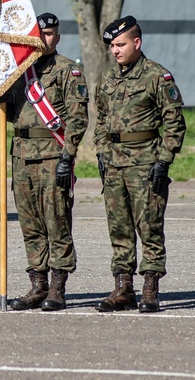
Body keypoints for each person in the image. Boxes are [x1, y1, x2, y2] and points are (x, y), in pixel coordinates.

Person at [94, 16, 186, 313]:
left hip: (145, 161)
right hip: (114, 162)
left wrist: (164, 161)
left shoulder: (157, 76)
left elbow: (175, 123)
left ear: (137, 42)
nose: (115, 51)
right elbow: (101, 121)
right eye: (111, 46)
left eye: (120, 44)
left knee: (149, 227)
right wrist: (101, 151)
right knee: (118, 227)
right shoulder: (108, 79)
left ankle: (150, 287)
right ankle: (123, 288)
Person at [0, 13, 89, 312]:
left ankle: (58, 287)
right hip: (22, 156)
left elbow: (77, 119)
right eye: (40, 33)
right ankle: (37, 285)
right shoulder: (20, 71)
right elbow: (10, 113)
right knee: (30, 223)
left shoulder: (67, 71)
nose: (44, 38)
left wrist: (68, 156)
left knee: (56, 220)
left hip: (52, 155)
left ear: (57, 37)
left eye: (50, 33)